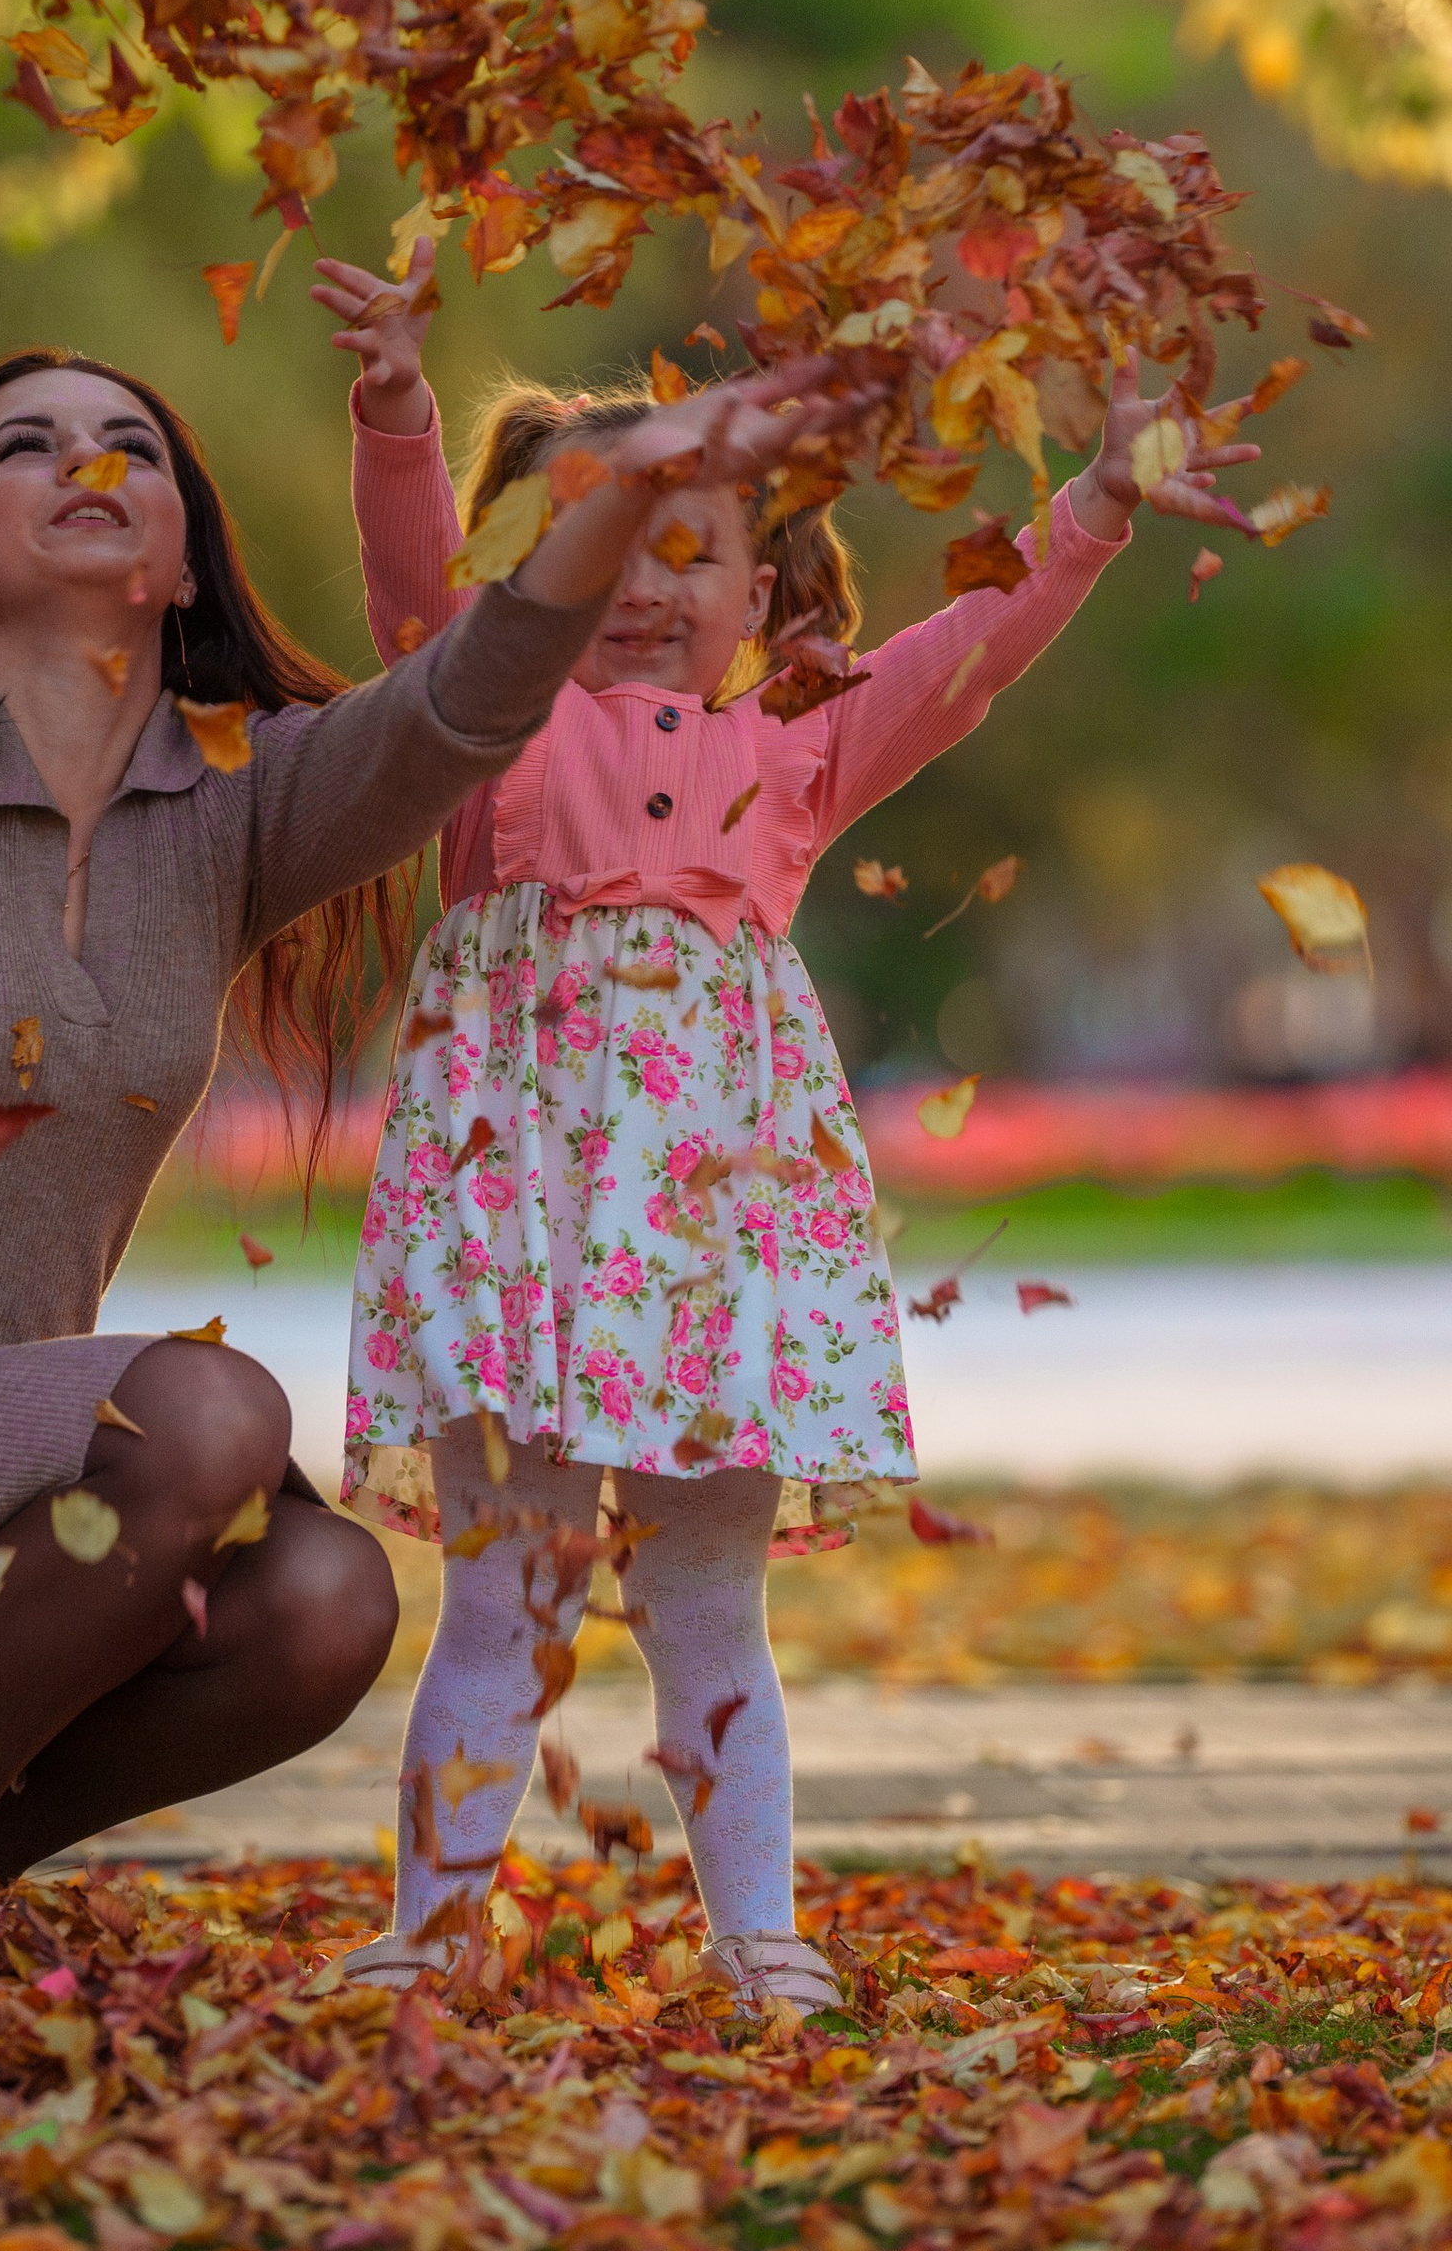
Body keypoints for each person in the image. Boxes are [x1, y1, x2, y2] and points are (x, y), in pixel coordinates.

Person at [0, 224, 844, 1923]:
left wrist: (631, 490)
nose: (88, 463)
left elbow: (472, 697)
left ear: (181, 566)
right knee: (214, 1412)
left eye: (133, 448)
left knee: (325, 1602)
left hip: (9, 1546)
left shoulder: (236, 805)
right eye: (27, 445)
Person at [310, 239, 1258, 2006]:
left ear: (767, 587)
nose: (642, 586)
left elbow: (968, 657)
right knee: (504, 1602)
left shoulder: (802, 749)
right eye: (592, 548)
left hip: (713, 1244)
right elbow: (413, 590)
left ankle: (761, 1936)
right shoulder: (488, 725)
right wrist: (395, 408)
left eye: (689, 551)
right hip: (515, 1227)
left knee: (705, 1607)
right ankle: (428, 1938)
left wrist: (1097, 511)